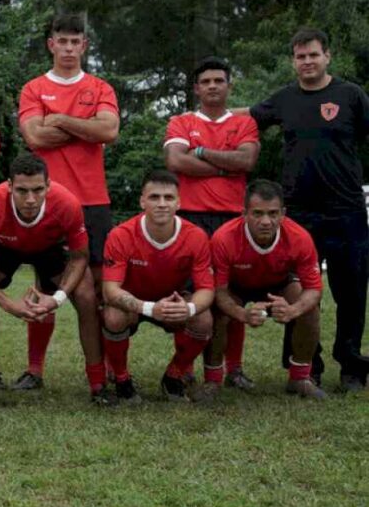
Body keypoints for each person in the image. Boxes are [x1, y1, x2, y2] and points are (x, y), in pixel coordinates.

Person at [247, 28, 369, 392]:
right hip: (298, 213)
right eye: (300, 57)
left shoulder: (350, 96)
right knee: (297, 289)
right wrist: (206, 118)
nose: (307, 62)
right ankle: (306, 365)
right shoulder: (284, 99)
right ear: (293, 61)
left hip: (346, 208)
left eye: (313, 55)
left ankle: (351, 366)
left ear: (327, 56)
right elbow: (248, 118)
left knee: (351, 291)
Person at [0, 154, 107, 407]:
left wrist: (57, 298)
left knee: (86, 294)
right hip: (7, 245)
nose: (30, 199)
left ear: (48, 186)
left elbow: (79, 258)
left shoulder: (66, 203)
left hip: (50, 247)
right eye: (21, 191)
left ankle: (99, 385)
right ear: (9, 186)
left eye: (38, 190)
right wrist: (8, 304)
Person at [18, 13, 119, 392]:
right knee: (45, 285)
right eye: (62, 41)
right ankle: (34, 370)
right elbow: (35, 138)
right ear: (51, 44)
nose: (69, 48)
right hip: (48, 202)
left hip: (93, 201)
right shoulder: (33, 88)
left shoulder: (100, 87)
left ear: (85, 45)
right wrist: (83, 126)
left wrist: (58, 118)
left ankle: (105, 370)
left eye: (76, 42)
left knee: (94, 289)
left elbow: (108, 130)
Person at [164, 56, 260, 390]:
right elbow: (176, 160)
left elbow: (247, 159)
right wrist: (225, 166)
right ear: (196, 88)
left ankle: (233, 369)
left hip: (233, 217)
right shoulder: (180, 120)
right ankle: (187, 364)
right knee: (190, 294)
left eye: (219, 80)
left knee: (231, 293)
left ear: (229, 86)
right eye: (206, 82)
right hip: (190, 217)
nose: (213, 86)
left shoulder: (244, 124)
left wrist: (201, 152)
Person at [100, 170, 215, 404]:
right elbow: (110, 290)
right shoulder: (121, 234)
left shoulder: (196, 236)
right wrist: (150, 308)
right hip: (135, 302)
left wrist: (188, 308)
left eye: (168, 198)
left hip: (172, 301)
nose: (162, 204)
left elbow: (207, 289)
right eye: (154, 197)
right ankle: (121, 379)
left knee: (203, 320)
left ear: (179, 202)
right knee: (112, 316)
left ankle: (174, 375)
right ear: (142, 200)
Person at [205, 180, 326, 399]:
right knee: (216, 311)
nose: (266, 221)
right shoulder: (223, 238)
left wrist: (294, 310)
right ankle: (212, 380)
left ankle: (299, 378)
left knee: (310, 308)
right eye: (257, 213)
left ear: (283, 213)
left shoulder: (299, 237)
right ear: (244, 213)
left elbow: (314, 288)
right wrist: (241, 313)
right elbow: (220, 292)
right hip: (236, 285)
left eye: (273, 213)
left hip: (279, 283)